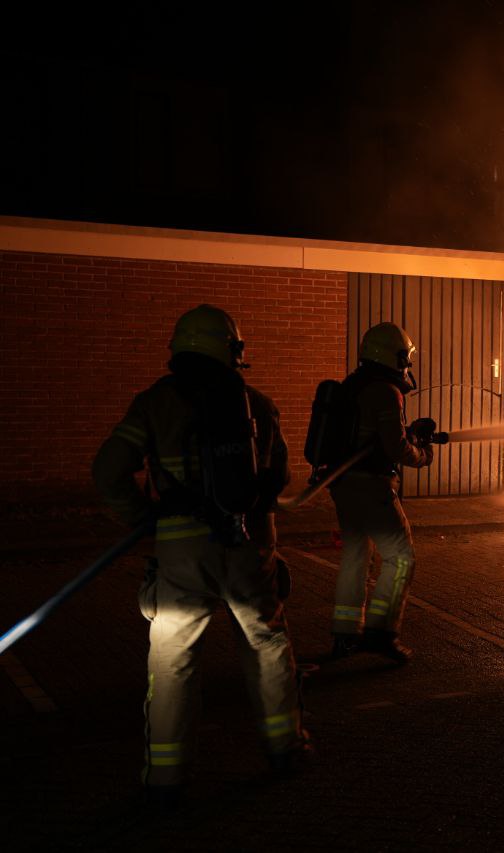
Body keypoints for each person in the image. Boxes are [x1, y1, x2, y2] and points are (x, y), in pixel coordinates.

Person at [92, 305, 307, 806]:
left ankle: (166, 778)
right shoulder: (258, 405)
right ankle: (285, 748)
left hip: (183, 550)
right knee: (267, 644)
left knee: (173, 660)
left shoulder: (155, 403)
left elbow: (108, 472)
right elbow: (279, 478)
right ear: (232, 350)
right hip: (250, 547)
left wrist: (143, 517)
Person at [328, 322, 433, 664]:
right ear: (394, 356)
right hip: (372, 486)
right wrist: (422, 455)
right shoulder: (386, 391)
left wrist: (408, 433)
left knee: (355, 557)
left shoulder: (354, 386)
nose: (408, 363)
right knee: (401, 558)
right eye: (405, 356)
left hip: (344, 485)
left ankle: (345, 635)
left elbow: (374, 435)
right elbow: (395, 447)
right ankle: (381, 633)